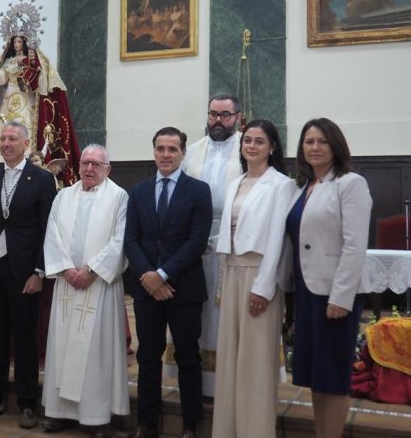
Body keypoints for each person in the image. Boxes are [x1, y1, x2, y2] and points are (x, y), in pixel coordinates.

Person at [283, 118, 372, 438]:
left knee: (332, 374)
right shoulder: (303, 187)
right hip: (307, 290)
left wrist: (341, 297)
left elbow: (355, 245)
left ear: (336, 146)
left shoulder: (350, 183)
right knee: (315, 374)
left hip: (333, 293)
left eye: (322, 141)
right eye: (309, 142)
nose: (315, 147)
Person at [124, 127, 213, 438]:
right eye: (160, 148)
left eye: (172, 149)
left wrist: (161, 275)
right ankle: (147, 423)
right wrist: (147, 276)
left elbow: (196, 241)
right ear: (154, 152)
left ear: (183, 153)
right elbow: (131, 240)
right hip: (146, 288)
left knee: (188, 356)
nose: (165, 154)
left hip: (183, 286)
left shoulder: (199, 191)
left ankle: (190, 425)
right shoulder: (139, 191)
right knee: (148, 356)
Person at [0, 121, 56, 429]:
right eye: (2, 138)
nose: (6, 143)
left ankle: (27, 404)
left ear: (26, 144)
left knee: (25, 339)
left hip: (25, 269)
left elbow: (47, 228)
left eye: (12, 138)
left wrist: (39, 271)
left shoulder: (43, 179)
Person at [211, 120, 294, 438]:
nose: (252, 146)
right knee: (230, 358)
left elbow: (277, 240)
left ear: (272, 147)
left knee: (255, 361)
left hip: (259, 275)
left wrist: (264, 287)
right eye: (247, 140)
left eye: (260, 141)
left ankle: (255, 431)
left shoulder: (281, 185)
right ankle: (227, 429)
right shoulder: (236, 182)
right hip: (231, 272)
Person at [41, 145, 130, 438]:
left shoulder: (118, 197)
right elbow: (51, 235)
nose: (89, 168)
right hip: (68, 284)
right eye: (85, 163)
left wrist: (91, 271)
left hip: (99, 286)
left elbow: (120, 240)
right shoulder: (64, 196)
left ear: (108, 168)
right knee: (63, 348)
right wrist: (66, 269)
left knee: (96, 353)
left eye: (96, 164)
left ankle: (97, 417)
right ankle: (60, 413)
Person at [165, 94, 243, 396]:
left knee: (225, 314)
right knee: (195, 314)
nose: (218, 121)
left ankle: (227, 382)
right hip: (192, 247)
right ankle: (196, 380)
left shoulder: (247, 150)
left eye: (225, 115)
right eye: (213, 114)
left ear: (238, 117)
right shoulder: (192, 151)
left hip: (234, 244)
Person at [0, 0, 80, 186]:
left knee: (24, 127)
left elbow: (39, 82)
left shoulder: (35, 60)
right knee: (4, 130)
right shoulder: (8, 61)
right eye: (15, 41)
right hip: (9, 100)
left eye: (20, 41)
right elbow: (3, 78)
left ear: (26, 42)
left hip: (27, 102)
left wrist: (29, 69)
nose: (17, 44)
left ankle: (27, 154)